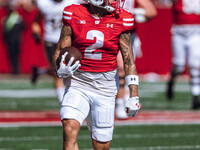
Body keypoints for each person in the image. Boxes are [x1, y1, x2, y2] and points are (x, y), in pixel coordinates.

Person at [52, 0, 140, 149]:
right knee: (69, 128)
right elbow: (59, 51)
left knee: (101, 146)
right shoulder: (74, 13)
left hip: (105, 88)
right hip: (78, 83)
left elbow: (128, 60)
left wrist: (134, 94)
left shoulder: (121, 19)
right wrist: (59, 69)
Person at [31, 0, 81, 104]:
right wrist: (36, 32)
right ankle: (63, 102)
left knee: (71, 68)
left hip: (67, 39)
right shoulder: (44, 4)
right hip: (51, 40)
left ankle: (40, 71)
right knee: (57, 71)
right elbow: (36, 21)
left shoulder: (71, 2)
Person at [115, 0, 157, 119]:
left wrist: (135, 12)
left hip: (126, 34)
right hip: (107, 31)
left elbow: (151, 11)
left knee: (123, 68)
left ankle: (121, 103)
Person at [166, 0, 200, 109]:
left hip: (196, 32)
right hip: (179, 33)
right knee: (179, 65)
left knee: (195, 64)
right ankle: (171, 81)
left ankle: (195, 96)